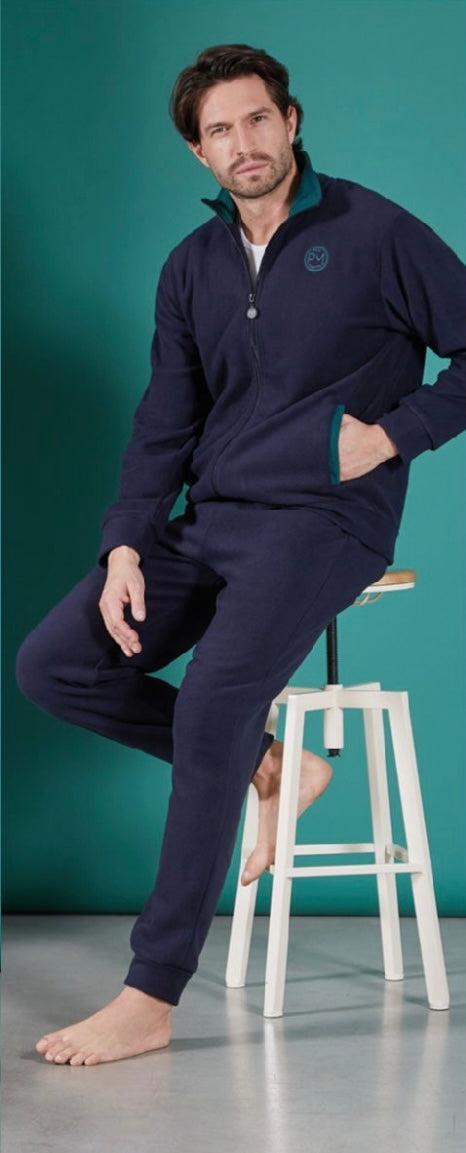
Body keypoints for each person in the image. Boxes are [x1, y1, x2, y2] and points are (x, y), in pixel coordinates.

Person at [16, 43, 466, 1067]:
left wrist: (392, 437)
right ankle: (272, 764)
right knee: (55, 664)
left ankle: (150, 992)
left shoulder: (375, 232)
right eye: (219, 130)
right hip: (211, 518)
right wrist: (125, 545)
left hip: (327, 521)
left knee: (214, 699)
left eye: (257, 119)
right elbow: (165, 421)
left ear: (291, 121)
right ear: (198, 151)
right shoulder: (192, 267)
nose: (243, 143)